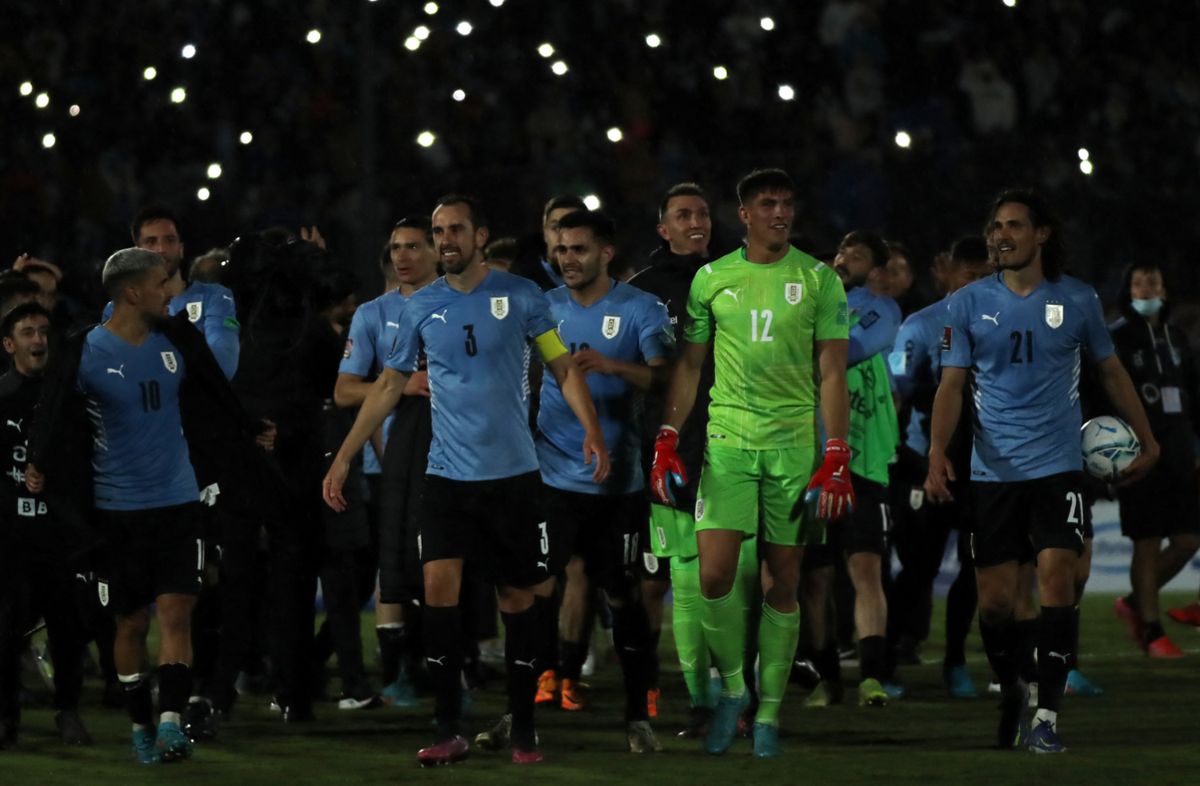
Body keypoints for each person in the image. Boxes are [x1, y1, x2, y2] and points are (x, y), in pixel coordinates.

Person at [323, 194, 609, 766]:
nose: (445, 239)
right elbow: (386, 386)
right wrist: (344, 456)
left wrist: (592, 431)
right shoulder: (419, 308)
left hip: (513, 479)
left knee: (516, 598)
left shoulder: (523, 297)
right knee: (437, 594)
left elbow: (559, 366)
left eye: (455, 229)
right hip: (447, 478)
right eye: (437, 231)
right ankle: (449, 725)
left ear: (481, 236)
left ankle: (524, 727)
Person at [925, 188, 1159, 754]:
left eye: (1012, 225)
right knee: (997, 604)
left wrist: (1147, 439)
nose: (999, 235)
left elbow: (1111, 373)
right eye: (995, 227)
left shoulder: (1077, 300)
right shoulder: (966, 304)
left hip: (1058, 467)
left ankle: (1047, 716)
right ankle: (1013, 685)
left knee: (1058, 579)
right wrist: (937, 453)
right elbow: (952, 385)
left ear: (1041, 234)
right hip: (992, 473)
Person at [651, 168, 853, 757]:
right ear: (744, 214)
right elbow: (690, 366)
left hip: (793, 448)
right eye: (768, 204)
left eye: (788, 204)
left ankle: (767, 714)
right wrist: (668, 433)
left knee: (781, 582)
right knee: (713, 574)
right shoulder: (713, 279)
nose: (781, 214)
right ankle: (734, 690)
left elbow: (833, 371)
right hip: (728, 443)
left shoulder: (819, 280)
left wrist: (836, 451)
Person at [28, 248, 258, 764]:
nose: (169, 291)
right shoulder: (84, 350)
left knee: (178, 612)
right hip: (116, 513)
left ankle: (172, 724)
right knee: (129, 624)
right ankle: (139, 725)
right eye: (160, 283)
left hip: (178, 503)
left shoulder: (177, 338)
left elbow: (216, 394)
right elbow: (54, 410)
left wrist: (247, 430)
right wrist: (40, 460)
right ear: (132, 292)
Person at [534, 209, 673, 751]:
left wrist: (615, 368)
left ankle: (638, 712)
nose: (568, 259)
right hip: (552, 475)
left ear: (605, 253)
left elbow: (664, 376)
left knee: (622, 594)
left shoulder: (640, 309)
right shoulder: (543, 309)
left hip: (618, 480)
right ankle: (530, 703)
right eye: (562, 249)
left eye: (579, 249)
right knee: (538, 587)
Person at [630, 182, 758, 737]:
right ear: (664, 229)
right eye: (682, 215)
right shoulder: (642, 292)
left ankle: (742, 697)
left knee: (739, 578)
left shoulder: (740, 275)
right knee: (685, 580)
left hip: (739, 442)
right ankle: (701, 703)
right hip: (672, 449)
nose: (695, 221)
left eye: (701, 213)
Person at [334, 216, 440, 706]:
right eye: (396, 247)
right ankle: (399, 672)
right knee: (391, 568)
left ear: (437, 250)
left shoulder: (462, 306)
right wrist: (401, 387)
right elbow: (344, 390)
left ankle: (443, 666)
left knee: (443, 563)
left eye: (414, 246)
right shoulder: (372, 314)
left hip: (456, 460)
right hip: (387, 464)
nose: (403, 256)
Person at [887, 236, 992, 697]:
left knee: (974, 568)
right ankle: (889, 662)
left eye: (986, 276)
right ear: (949, 273)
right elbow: (895, 393)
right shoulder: (921, 326)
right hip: (919, 462)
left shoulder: (1002, 324)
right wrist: (903, 458)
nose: (978, 285)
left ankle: (954, 661)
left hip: (982, 468)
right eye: (970, 276)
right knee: (917, 570)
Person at [801, 229, 900, 708]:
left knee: (865, 571)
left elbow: (848, 353)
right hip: (809, 460)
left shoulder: (882, 310)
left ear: (876, 272)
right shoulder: (806, 302)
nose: (842, 259)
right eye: (841, 251)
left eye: (857, 256)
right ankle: (826, 680)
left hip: (861, 462)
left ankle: (872, 678)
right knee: (815, 578)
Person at [0, 303, 92, 748]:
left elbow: (84, 464)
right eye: (27, 332)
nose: (38, 340)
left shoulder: (71, 400)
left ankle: (68, 710)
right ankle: (6, 717)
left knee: (68, 628)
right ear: (9, 343)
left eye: (43, 331)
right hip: (11, 539)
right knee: (4, 629)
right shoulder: (1, 397)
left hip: (59, 536)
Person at [1106, 262, 1200, 656]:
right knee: (1146, 543)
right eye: (1139, 283)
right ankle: (1151, 629)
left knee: (1187, 540)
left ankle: (1132, 602)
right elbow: (1105, 393)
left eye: (1153, 282)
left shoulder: (1176, 336)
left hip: (1179, 454)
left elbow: (1193, 394)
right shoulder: (1117, 338)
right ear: (1127, 290)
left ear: (1164, 288)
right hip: (1139, 454)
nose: (1146, 289)